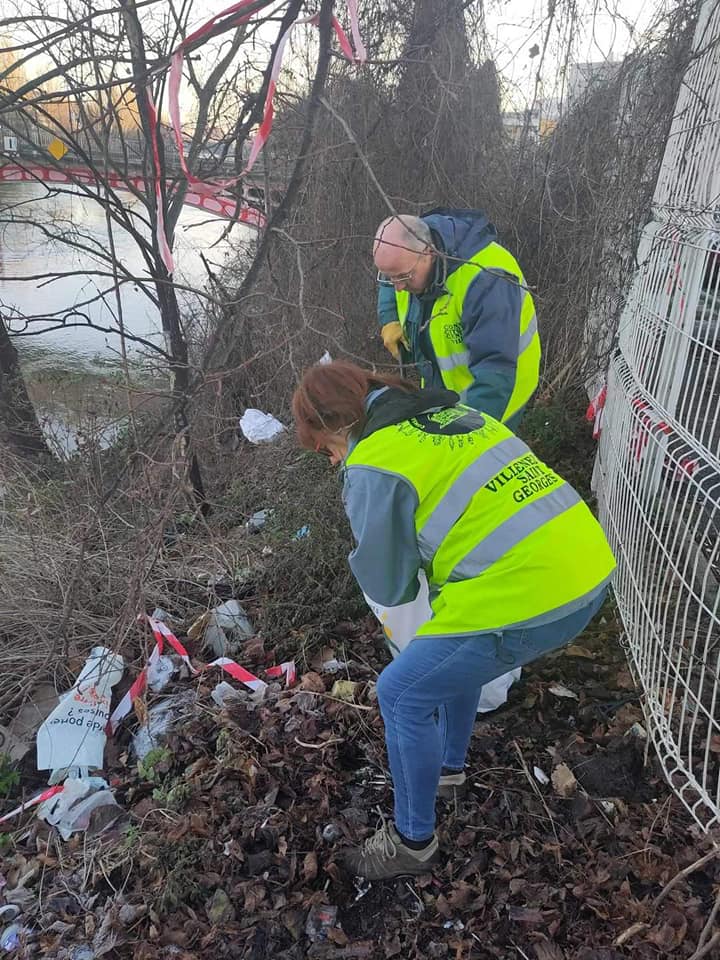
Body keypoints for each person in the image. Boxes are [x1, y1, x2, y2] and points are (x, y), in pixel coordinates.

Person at [291, 361, 615, 881]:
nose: (332, 460)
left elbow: (390, 586)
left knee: (400, 693)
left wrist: (370, 534)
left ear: (339, 424)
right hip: (589, 567)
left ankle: (411, 842)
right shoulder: (455, 414)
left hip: (534, 593)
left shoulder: (374, 459)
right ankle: (448, 770)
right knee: (450, 637)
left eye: (325, 447)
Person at [374, 211, 540, 431]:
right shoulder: (410, 259)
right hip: (445, 388)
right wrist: (389, 317)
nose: (398, 286)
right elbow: (390, 276)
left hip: (499, 394)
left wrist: (468, 438)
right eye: (389, 276)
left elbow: (494, 373)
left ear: (429, 253)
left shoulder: (487, 281)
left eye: (403, 277)